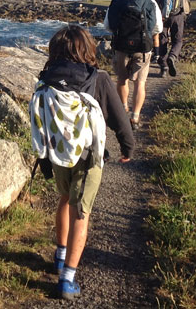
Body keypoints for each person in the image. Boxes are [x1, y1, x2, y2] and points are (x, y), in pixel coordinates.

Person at [29, 25, 135, 300]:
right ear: (87, 49)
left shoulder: (46, 80)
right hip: (88, 156)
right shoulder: (97, 79)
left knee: (65, 199)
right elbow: (118, 118)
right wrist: (128, 145)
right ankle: (67, 279)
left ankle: (60, 255)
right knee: (81, 212)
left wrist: (44, 160)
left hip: (59, 154)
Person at [105, 0, 163, 128]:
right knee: (140, 82)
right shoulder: (150, 2)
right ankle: (135, 117)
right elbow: (158, 27)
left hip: (121, 45)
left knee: (122, 79)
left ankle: (123, 109)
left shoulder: (117, 1)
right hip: (143, 47)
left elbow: (108, 26)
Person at [150, 0, 191, 77]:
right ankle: (172, 56)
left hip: (161, 14)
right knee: (177, 40)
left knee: (162, 39)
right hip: (177, 14)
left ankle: (163, 67)